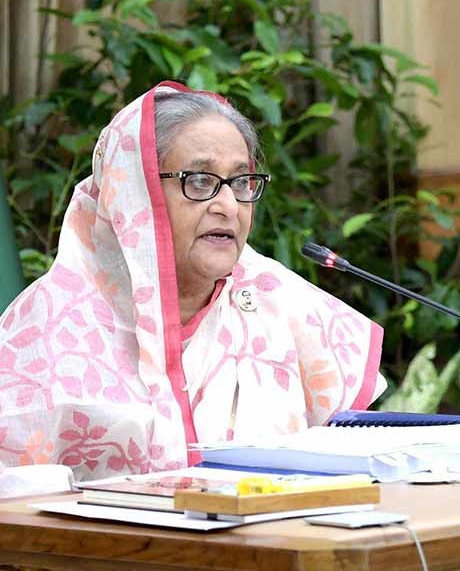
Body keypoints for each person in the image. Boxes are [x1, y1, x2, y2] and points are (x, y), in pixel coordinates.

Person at [0, 82, 385, 484]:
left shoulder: (283, 302)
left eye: (241, 182)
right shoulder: (50, 324)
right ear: (134, 192)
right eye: (200, 181)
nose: (228, 206)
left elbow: (358, 465)